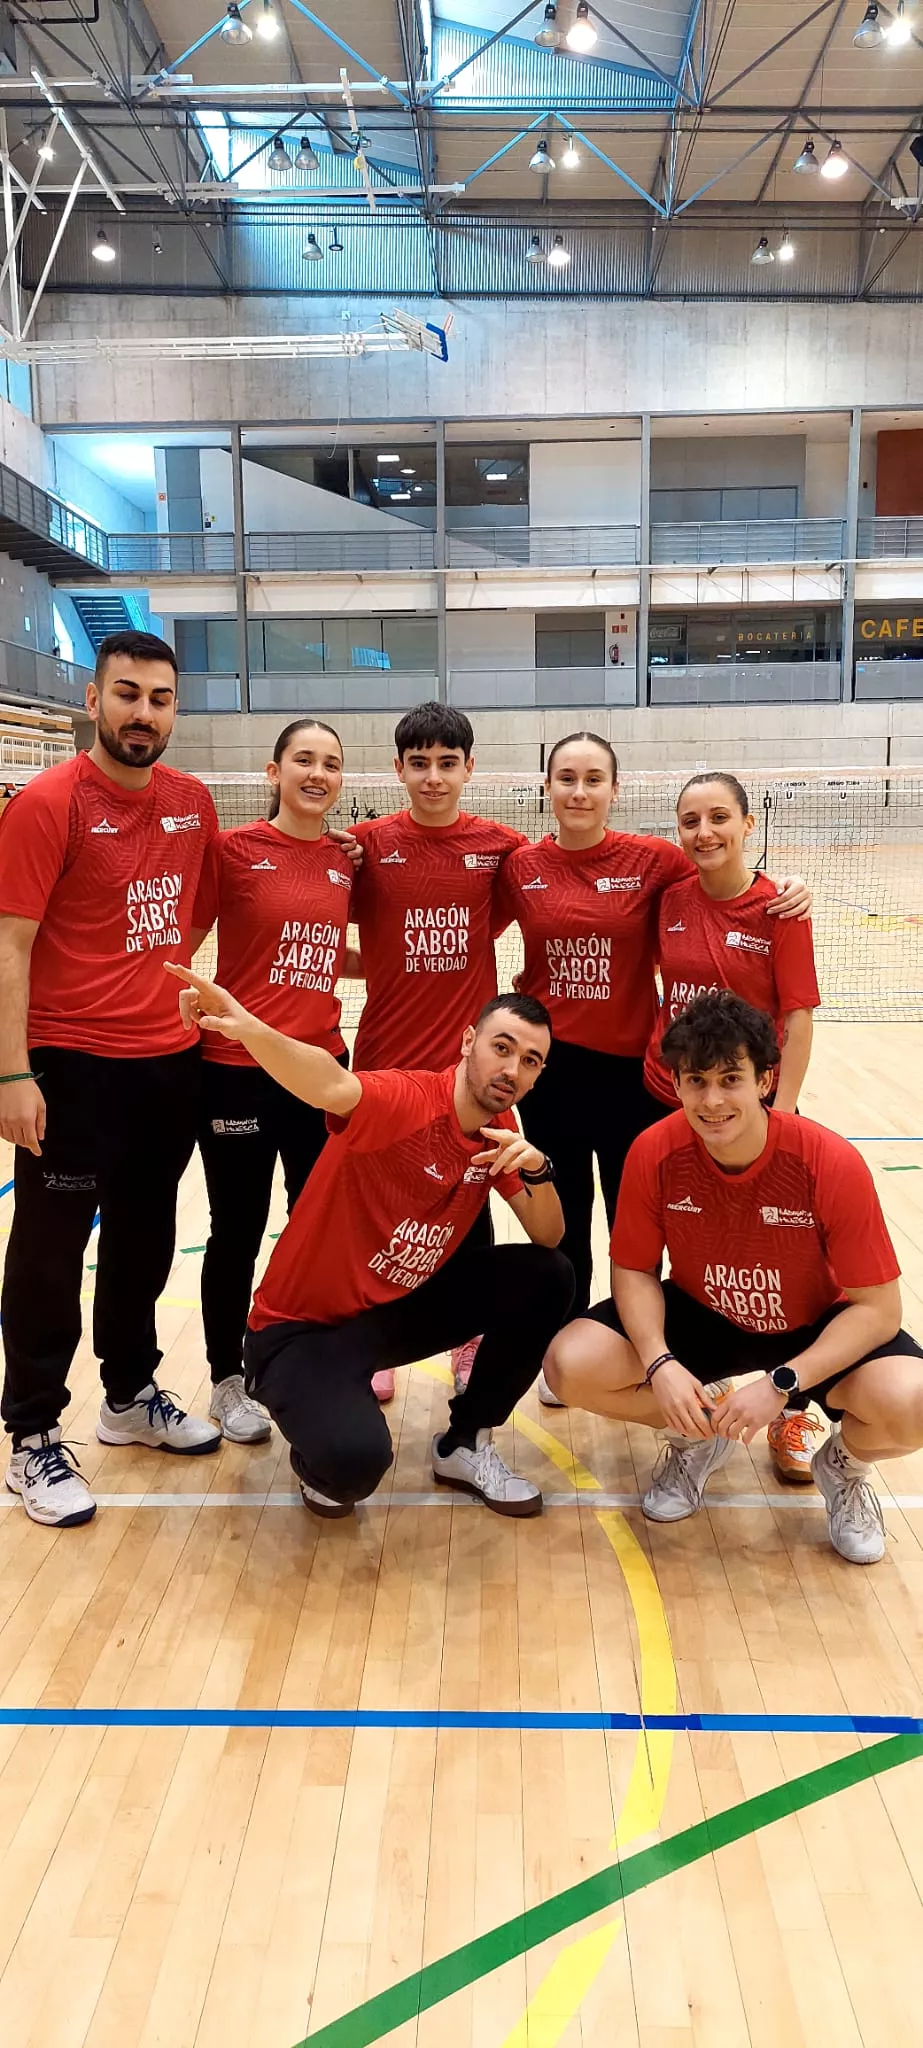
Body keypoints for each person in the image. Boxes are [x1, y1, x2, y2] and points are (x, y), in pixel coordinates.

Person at [166, 962, 574, 1519]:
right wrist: (247, 1026)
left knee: (549, 1274)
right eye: (502, 1048)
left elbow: (548, 1235)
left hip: (393, 1315)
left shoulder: (503, 1131)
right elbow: (331, 1084)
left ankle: (464, 1443)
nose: (512, 1069)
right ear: (467, 1042)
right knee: (351, 1468)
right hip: (302, 1331)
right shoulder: (407, 1101)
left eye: (530, 1061)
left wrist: (539, 1169)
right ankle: (315, 1419)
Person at [543, 990, 923, 1566]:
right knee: (571, 1365)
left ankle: (843, 1467)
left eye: (730, 1079)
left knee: (914, 1404)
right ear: (676, 1085)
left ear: (766, 1080)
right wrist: (659, 1363)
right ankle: (701, 1433)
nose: (712, 1100)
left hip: (813, 1325)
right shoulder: (655, 1152)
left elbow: (879, 1310)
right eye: (696, 1081)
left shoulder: (828, 1162)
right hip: (706, 1311)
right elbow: (635, 1270)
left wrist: (781, 1383)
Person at [0, 629, 223, 1530]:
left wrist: (157, 991)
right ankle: (29, 1435)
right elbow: (8, 947)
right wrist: (12, 1070)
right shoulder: (48, 803)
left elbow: (196, 914)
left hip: (165, 1063)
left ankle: (128, 1395)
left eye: (160, 698)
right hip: (66, 1062)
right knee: (50, 1249)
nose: (143, 713)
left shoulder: (193, 802)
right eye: (126, 694)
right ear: (93, 702)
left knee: (145, 1235)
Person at [493, 733, 812, 1352]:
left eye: (593, 778)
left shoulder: (657, 862)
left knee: (634, 1216)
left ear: (616, 789)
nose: (579, 791)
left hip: (633, 1077)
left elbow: (724, 875)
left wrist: (790, 887)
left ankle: (640, 1339)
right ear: (547, 787)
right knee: (564, 1214)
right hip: (550, 1070)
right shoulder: (521, 866)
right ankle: (567, 1336)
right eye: (566, 777)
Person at [347, 700, 530, 1401]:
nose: (432, 777)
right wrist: (376, 964)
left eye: (446, 763)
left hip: (467, 1072)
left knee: (469, 1202)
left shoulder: (501, 849)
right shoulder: (363, 845)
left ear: (468, 768)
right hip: (385, 1062)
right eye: (418, 763)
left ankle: (468, 1338)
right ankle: (378, 1335)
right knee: (381, 1208)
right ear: (398, 768)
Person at [643, 771, 822, 1483]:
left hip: (750, 1113)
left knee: (779, 1258)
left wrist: (784, 1111)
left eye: (719, 818)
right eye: (689, 820)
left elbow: (798, 1015)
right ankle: (695, 1389)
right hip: (668, 1103)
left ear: (748, 825)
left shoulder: (780, 908)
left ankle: (793, 1407)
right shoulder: (670, 897)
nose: (704, 832)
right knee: (682, 1248)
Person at [191, 718, 356, 1444]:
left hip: (320, 1072)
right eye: (303, 761)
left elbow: (335, 951)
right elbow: (179, 936)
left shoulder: (348, 860)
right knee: (236, 1229)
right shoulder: (231, 852)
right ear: (273, 770)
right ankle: (227, 1377)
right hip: (234, 1074)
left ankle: (303, 1355)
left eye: (329, 764)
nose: (316, 773)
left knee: (316, 1225)